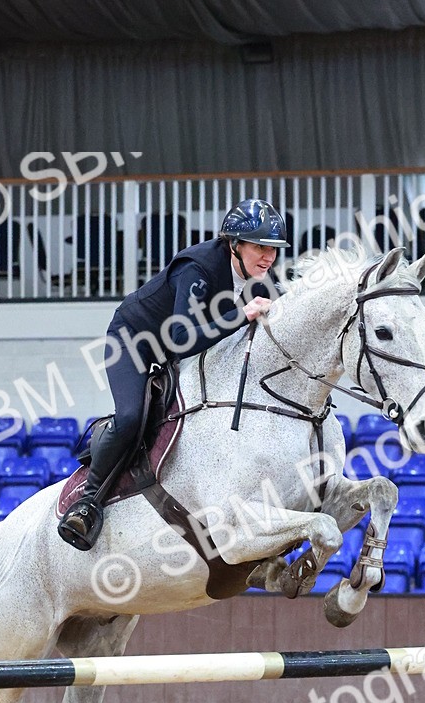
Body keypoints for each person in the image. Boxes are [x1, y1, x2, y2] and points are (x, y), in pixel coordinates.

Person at [58, 199, 289, 550]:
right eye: (260, 247)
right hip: (133, 342)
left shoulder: (256, 277)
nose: (268, 257)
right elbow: (181, 340)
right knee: (132, 416)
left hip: (171, 353)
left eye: (273, 249)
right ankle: (88, 501)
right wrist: (242, 314)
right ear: (234, 244)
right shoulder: (197, 268)